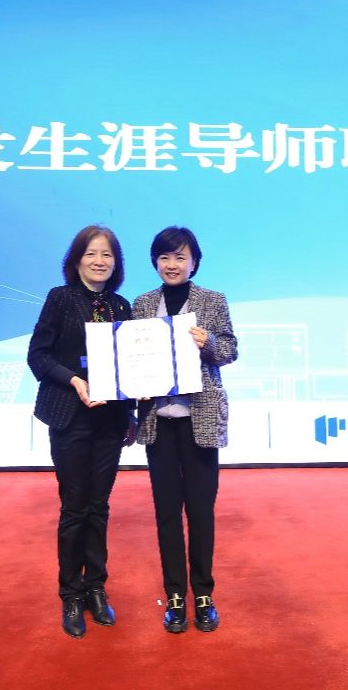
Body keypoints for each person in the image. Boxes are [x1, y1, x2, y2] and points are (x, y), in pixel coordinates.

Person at [27, 224, 135, 639]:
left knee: (99, 506)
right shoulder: (60, 298)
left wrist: (132, 414)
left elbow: (131, 367)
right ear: (76, 260)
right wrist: (74, 380)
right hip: (69, 416)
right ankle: (71, 593)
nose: (99, 261)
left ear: (116, 263)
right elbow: (38, 356)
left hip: (110, 422)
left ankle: (96, 588)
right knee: (74, 507)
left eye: (107, 254)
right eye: (91, 253)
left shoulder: (122, 307)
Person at [132, 226, 238, 634]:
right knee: (166, 514)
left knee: (200, 512)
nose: (171, 264)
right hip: (159, 422)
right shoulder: (143, 304)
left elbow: (229, 351)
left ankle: (204, 595)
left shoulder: (213, 300)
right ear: (155, 262)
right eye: (164, 257)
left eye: (180, 257)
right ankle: (175, 596)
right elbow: (129, 360)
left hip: (200, 420)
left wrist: (207, 342)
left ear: (194, 263)